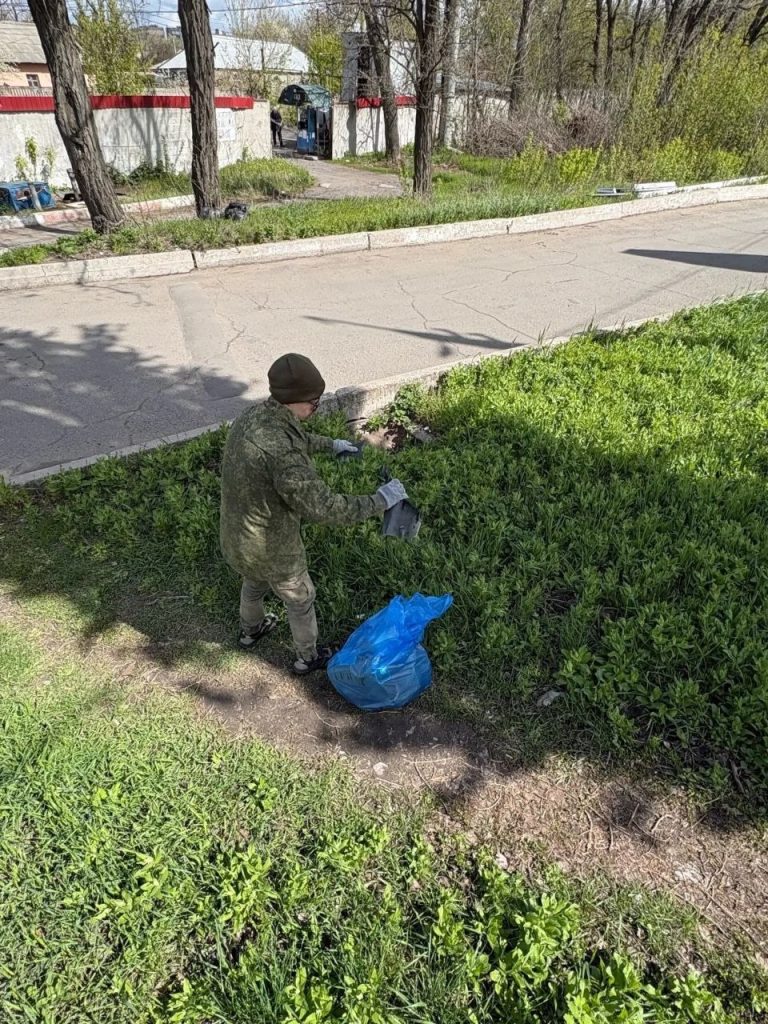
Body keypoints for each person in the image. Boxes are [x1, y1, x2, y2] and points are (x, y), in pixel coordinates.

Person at [220, 353, 408, 675]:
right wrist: (381, 499)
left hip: (237, 536)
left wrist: (331, 444)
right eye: (314, 402)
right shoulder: (285, 458)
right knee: (300, 599)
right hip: (272, 547)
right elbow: (326, 508)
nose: (315, 408)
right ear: (295, 400)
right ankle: (307, 658)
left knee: (253, 582)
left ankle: (251, 631)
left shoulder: (254, 416)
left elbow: (293, 438)